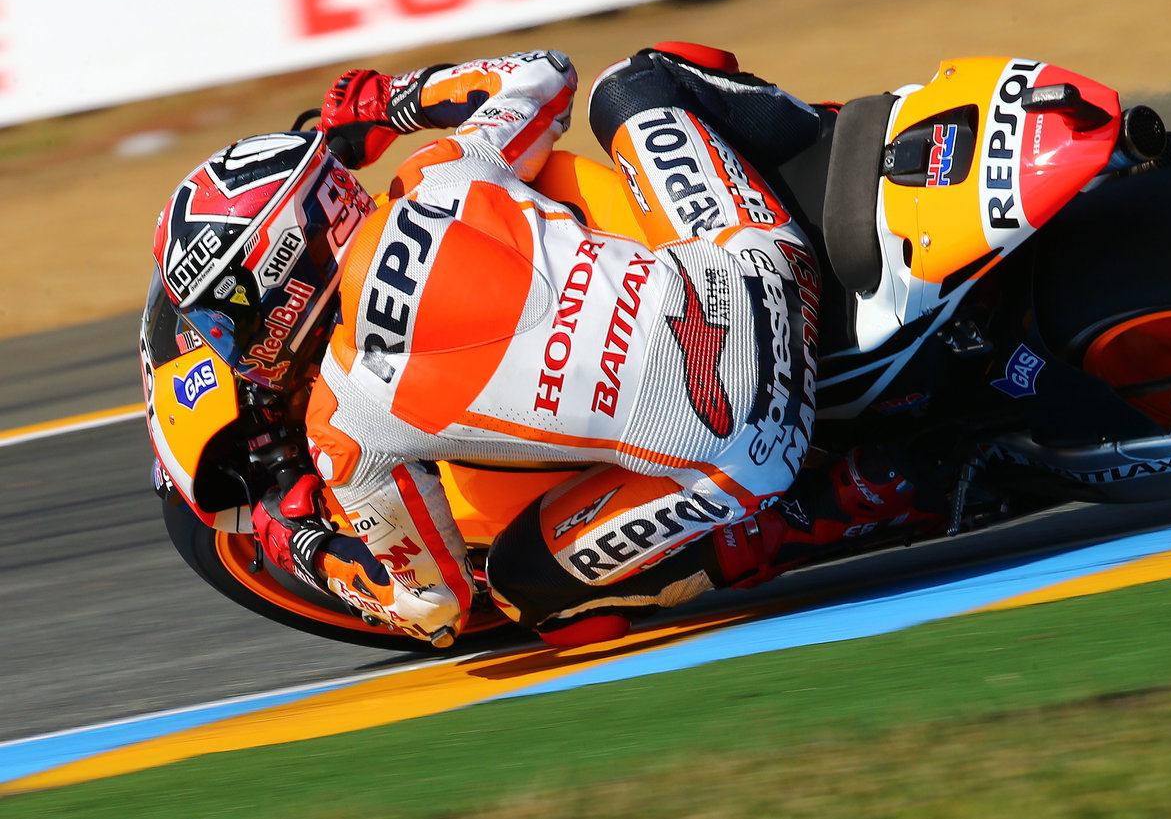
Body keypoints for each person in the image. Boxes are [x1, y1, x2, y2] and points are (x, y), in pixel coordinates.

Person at [153, 44, 943, 648]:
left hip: (752, 444)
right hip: (764, 267)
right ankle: (842, 153)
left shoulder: (343, 422)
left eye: (225, 321)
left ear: (281, 283)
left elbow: (433, 606)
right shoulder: (443, 169)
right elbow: (543, 73)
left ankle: (833, 507)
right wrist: (387, 103)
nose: (226, 344)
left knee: (524, 588)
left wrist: (299, 542)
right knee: (636, 82)